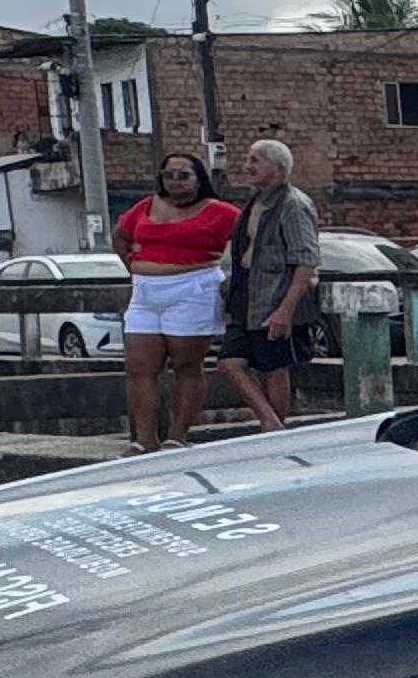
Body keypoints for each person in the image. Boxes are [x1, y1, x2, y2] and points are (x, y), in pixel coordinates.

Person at [114, 150, 241, 453]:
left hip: (192, 287)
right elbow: (120, 235)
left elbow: (250, 239)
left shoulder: (220, 211)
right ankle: (143, 438)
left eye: (183, 175)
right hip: (146, 290)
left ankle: (177, 435)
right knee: (139, 365)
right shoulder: (146, 206)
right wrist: (132, 261)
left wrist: (233, 276)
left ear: (198, 179)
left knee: (186, 364)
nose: (175, 181)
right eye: (168, 175)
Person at [214, 138, 318, 434]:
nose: (248, 166)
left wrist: (286, 309)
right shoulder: (254, 203)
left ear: (276, 168)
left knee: (274, 365)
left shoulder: (293, 204)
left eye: (255, 160)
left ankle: (274, 427)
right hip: (246, 292)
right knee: (230, 361)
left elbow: (306, 258)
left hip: (275, 293)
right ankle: (270, 421)